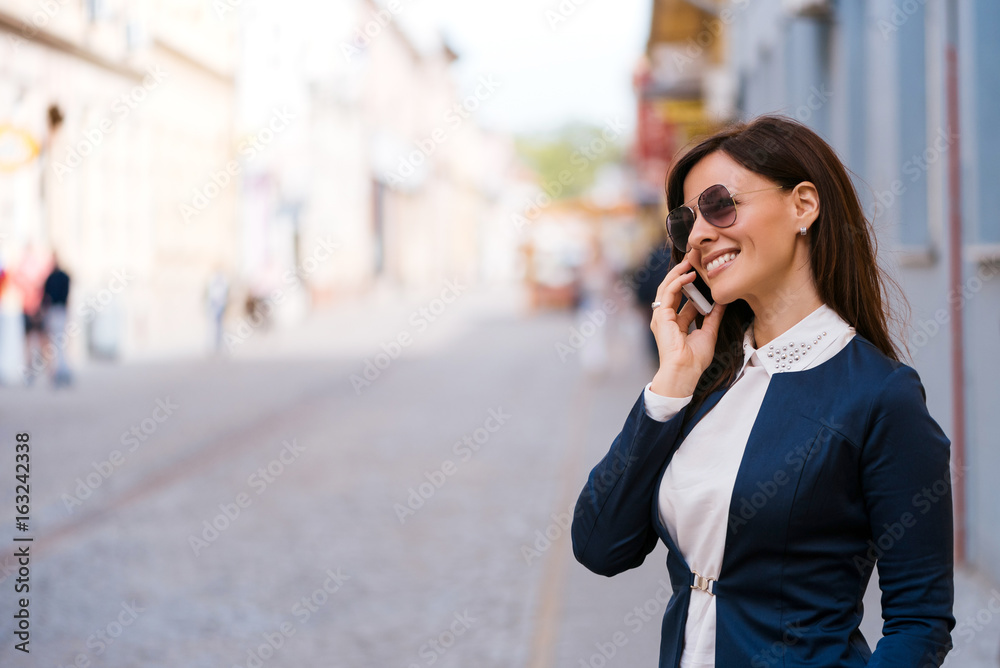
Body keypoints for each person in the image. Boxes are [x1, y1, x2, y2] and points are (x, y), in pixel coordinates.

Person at [571, 115, 955, 667]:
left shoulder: (880, 396)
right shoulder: (704, 383)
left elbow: (920, 622)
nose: (699, 234)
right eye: (686, 222)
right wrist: (670, 383)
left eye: (720, 204)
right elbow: (601, 545)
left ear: (803, 205)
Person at [42, 254, 72, 386]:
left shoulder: (56, 277)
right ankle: (58, 369)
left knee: (58, 342)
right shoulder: (54, 277)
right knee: (58, 342)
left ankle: (60, 369)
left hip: (57, 310)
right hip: (56, 311)